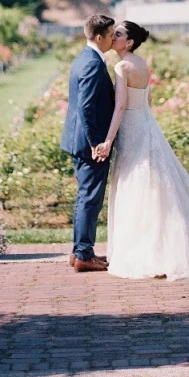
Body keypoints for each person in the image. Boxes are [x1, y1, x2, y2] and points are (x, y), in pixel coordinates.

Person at [95, 21, 189, 280]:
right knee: (155, 183)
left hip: (131, 125)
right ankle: (168, 248)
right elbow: (148, 100)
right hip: (146, 123)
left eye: (117, 35)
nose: (113, 38)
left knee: (136, 183)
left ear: (129, 42)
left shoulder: (121, 66)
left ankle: (144, 252)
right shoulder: (142, 63)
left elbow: (120, 107)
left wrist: (108, 140)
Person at [60, 14, 115, 272]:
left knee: (86, 197)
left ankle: (80, 251)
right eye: (112, 34)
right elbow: (86, 107)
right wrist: (96, 142)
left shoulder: (84, 57)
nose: (114, 38)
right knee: (90, 198)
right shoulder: (93, 63)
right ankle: (83, 254)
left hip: (77, 140)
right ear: (100, 37)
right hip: (88, 142)